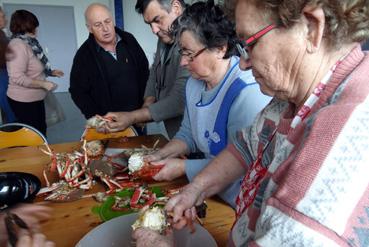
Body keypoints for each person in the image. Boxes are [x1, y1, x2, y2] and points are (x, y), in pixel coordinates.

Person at [133, 0, 369, 246]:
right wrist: (196, 189)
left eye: (251, 43)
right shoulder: (290, 96)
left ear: (311, 28)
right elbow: (246, 146)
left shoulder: (342, 143)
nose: (243, 63)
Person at [144, 1, 270, 208]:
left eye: (189, 53)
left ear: (220, 48)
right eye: (181, 53)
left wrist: (183, 167)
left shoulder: (247, 92)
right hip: (208, 188)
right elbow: (188, 133)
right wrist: (161, 155)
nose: (183, 62)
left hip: (237, 200)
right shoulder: (194, 84)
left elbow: (241, 161)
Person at [100, 0, 190, 138]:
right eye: (150, 24)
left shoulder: (194, 37)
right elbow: (155, 69)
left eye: (157, 20)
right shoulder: (166, 35)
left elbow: (180, 99)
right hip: (176, 132)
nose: (154, 30)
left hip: (195, 138)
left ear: (176, 8)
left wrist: (133, 117)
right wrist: (149, 100)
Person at [69, 3, 149, 135]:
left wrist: (144, 107)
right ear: (89, 28)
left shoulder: (129, 40)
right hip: (108, 124)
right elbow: (77, 91)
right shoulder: (83, 55)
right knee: (112, 154)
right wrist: (96, 119)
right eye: (98, 25)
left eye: (107, 21)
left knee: (140, 153)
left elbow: (144, 72)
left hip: (137, 116)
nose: (105, 28)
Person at [6, 10, 63, 136]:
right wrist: (43, 84)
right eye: (33, 25)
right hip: (23, 101)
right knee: (33, 136)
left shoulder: (30, 43)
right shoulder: (17, 45)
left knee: (40, 131)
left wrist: (51, 72)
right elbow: (17, 77)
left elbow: (34, 67)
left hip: (36, 98)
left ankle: (41, 153)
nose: (36, 29)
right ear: (25, 26)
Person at [0, 7, 16, 123]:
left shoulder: (2, 34)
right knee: (9, 108)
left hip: (6, 74)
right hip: (2, 77)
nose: (5, 19)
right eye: (2, 17)